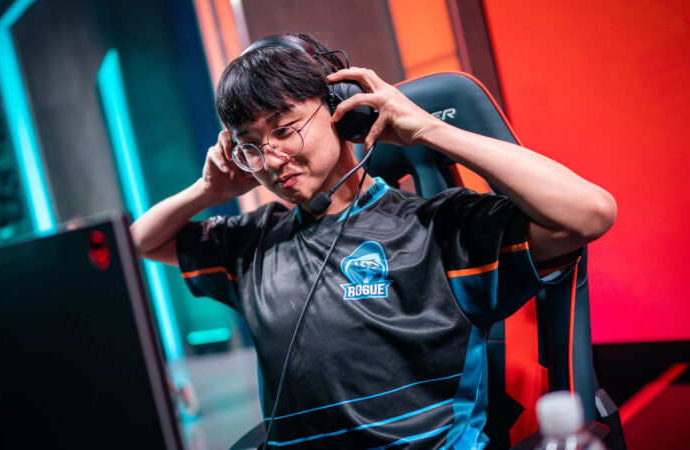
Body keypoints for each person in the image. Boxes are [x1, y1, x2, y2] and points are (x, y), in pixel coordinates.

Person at [130, 33, 616, 449]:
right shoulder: (254, 244)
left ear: (340, 111)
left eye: (284, 129)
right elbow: (140, 244)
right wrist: (207, 191)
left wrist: (429, 129)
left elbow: (589, 213)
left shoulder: (436, 228)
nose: (272, 161)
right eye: (251, 146)